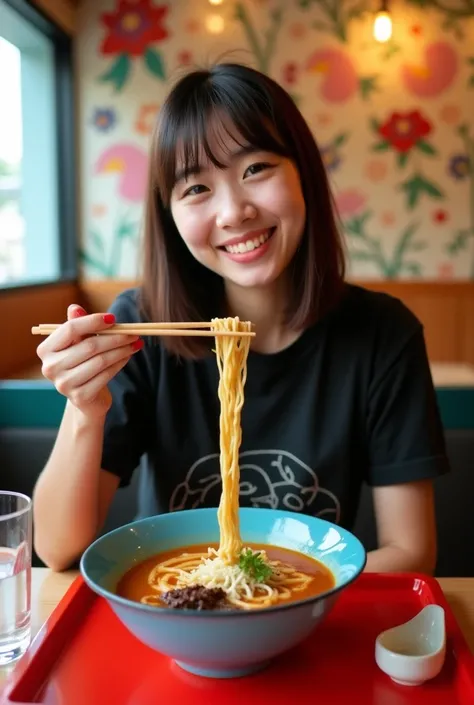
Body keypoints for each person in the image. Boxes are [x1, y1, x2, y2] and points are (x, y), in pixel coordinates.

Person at [33, 62, 449, 573]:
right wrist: (84, 408)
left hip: (310, 623)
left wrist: (266, 589)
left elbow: (411, 553)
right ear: (170, 216)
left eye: (255, 169)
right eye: (196, 189)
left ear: (304, 175)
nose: (233, 211)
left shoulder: (383, 333)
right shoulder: (140, 326)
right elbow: (56, 549)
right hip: (175, 617)